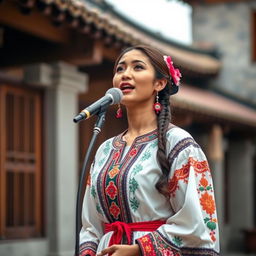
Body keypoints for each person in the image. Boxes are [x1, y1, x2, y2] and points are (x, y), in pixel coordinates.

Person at [79, 44, 220, 256]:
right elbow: (91, 223)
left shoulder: (179, 144)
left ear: (160, 83)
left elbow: (196, 222)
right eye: (120, 69)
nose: (126, 74)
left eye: (137, 67)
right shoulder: (106, 149)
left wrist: (138, 249)